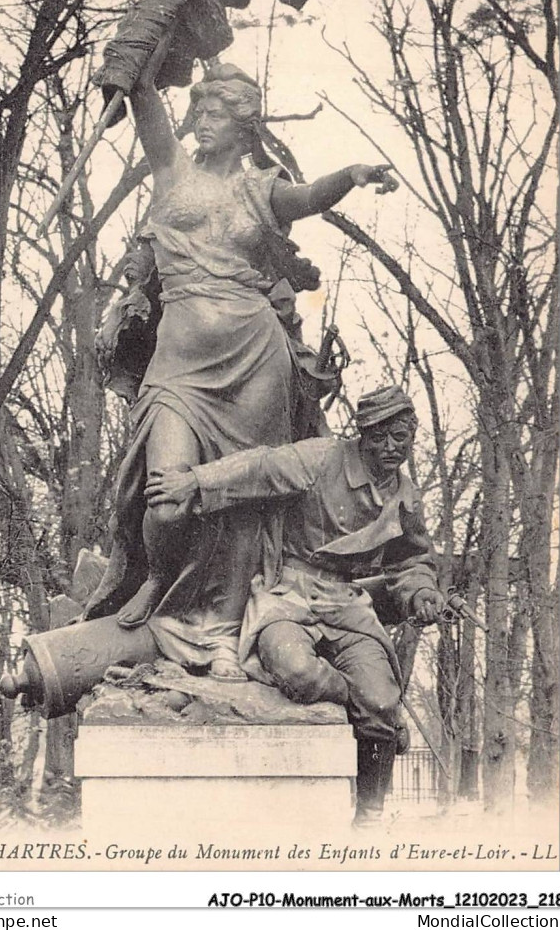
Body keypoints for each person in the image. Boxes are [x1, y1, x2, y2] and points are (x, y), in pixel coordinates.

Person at [85, 44, 398, 682]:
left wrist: (355, 172)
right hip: (178, 365)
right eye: (197, 108)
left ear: (243, 123)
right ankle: (164, 586)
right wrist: (138, 48)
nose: (201, 119)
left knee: (242, 507)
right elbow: (144, 93)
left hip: (255, 359)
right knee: (165, 498)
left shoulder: (263, 189)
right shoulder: (171, 167)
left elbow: (311, 196)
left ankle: (223, 634)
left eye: (217, 112)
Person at [145, 385, 444, 826]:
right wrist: (195, 480)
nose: (390, 448)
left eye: (401, 437)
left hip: (347, 606)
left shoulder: (405, 498)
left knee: (382, 698)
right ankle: (368, 712)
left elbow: (414, 560)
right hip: (288, 594)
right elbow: (260, 467)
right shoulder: (323, 458)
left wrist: (421, 593)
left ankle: (370, 818)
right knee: (298, 671)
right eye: (380, 436)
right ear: (362, 434)